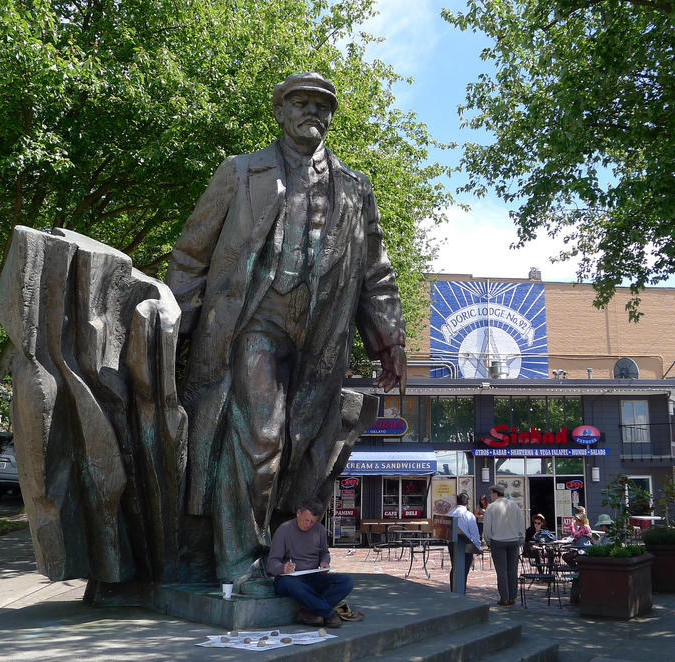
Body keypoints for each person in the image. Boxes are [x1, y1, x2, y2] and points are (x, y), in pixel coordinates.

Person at [166, 72, 407, 582]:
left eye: (323, 105)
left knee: (305, 445)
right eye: (301, 102)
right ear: (279, 111)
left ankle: (284, 556)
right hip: (255, 321)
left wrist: (389, 338)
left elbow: (375, 271)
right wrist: (174, 328)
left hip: (323, 334)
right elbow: (191, 254)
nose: (312, 112)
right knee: (262, 435)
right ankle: (236, 558)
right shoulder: (240, 173)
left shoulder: (355, 187)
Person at [267, 499, 353, 628]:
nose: (308, 524)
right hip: (289, 578)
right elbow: (271, 563)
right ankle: (328, 613)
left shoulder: (320, 530)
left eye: (312, 522)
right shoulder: (284, 530)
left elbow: (325, 552)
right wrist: (283, 568)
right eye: (306, 520)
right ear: (298, 513)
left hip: (312, 575)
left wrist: (324, 562)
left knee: (346, 582)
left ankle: (309, 611)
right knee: (294, 585)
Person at [483, 484, 524, 607]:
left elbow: (487, 527)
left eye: (491, 494)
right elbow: (521, 523)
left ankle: (504, 598)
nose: (490, 496)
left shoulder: (491, 507)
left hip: (498, 541)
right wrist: (521, 537)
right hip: (513, 540)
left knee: (501, 571)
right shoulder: (513, 505)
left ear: (495, 493)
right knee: (512, 570)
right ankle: (512, 597)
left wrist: (488, 540)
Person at [447, 493, 482, 590]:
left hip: (453, 544)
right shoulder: (468, 515)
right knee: (464, 569)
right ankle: (461, 589)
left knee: (455, 567)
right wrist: (477, 546)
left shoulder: (451, 513)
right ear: (467, 502)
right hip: (466, 545)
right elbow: (474, 532)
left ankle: (453, 589)